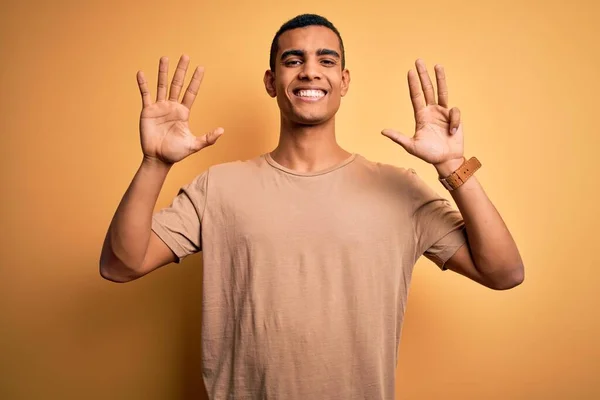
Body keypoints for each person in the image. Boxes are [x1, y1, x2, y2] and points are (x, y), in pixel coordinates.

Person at [99, 13, 524, 400]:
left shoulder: (400, 190)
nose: (309, 71)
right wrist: (155, 163)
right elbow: (121, 264)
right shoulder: (220, 188)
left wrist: (452, 166)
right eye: (293, 60)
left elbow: (504, 272)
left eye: (326, 60)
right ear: (270, 81)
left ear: (343, 80)